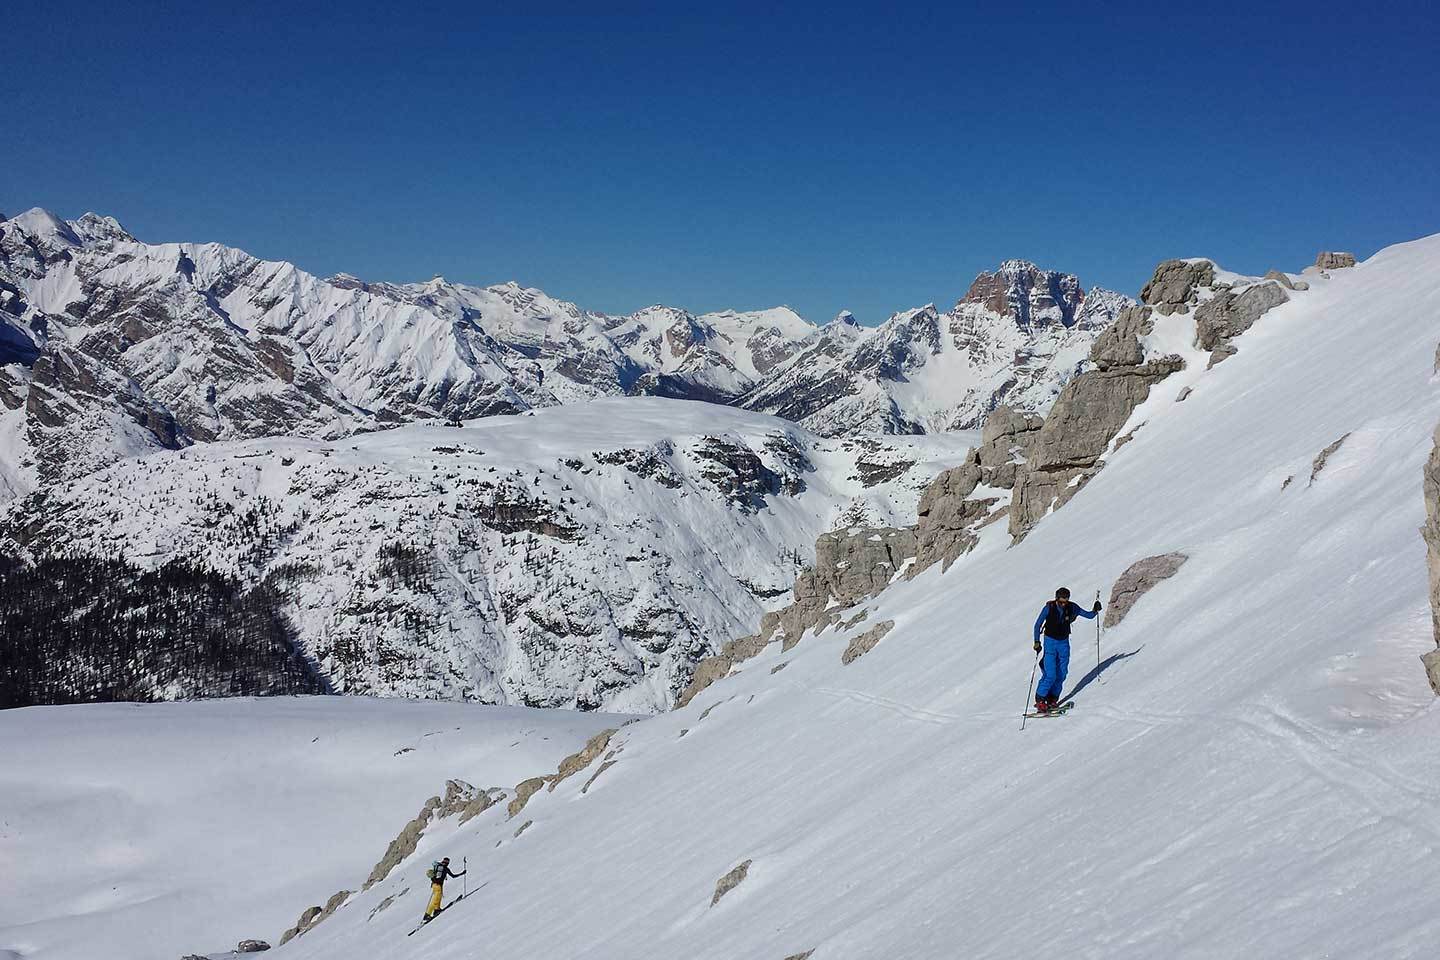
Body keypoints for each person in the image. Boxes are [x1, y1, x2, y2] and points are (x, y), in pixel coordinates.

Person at [1031, 587, 1101, 713]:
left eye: (1065, 602)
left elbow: (1088, 615)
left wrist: (1095, 610)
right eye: (1061, 602)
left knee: (1062, 674)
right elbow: (1037, 625)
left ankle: (1052, 699)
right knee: (1050, 674)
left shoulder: (1072, 607)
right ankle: (1040, 700)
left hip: (1064, 643)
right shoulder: (1049, 608)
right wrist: (1036, 641)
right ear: (1057, 599)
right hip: (1050, 642)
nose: (1063, 604)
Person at [422, 856, 466, 923]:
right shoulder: (445, 869)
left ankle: (437, 909)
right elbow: (453, 876)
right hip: (438, 885)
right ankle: (427, 915)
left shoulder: (438, 866)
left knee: (438, 897)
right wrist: (462, 873)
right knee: (435, 899)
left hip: (434, 885)